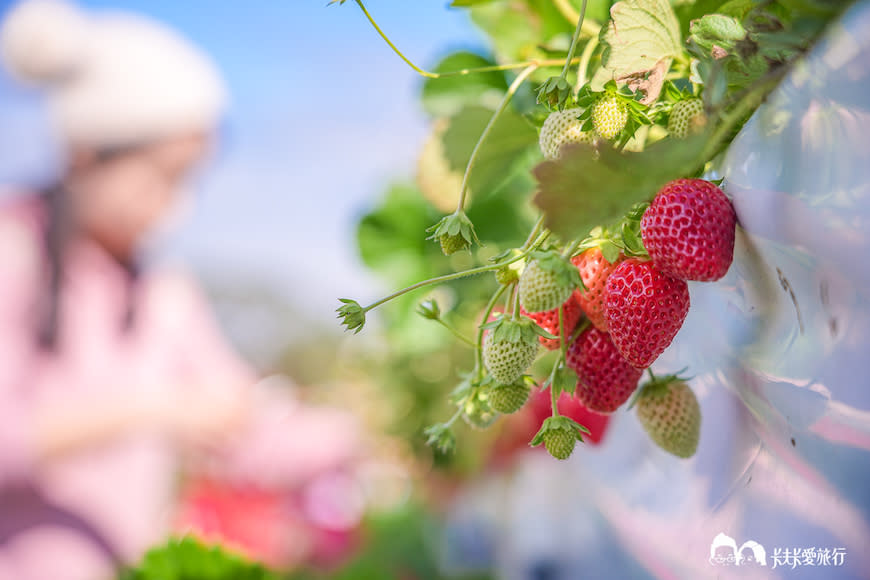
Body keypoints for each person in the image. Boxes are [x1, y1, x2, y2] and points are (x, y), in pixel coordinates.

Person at [0, 1, 361, 578]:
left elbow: (244, 430)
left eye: (189, 180)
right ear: (85, 154)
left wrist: (370, 428)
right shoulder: (13, 250)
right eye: (163, 177)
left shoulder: (162, 290)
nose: (176, 205)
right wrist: (149, 410)